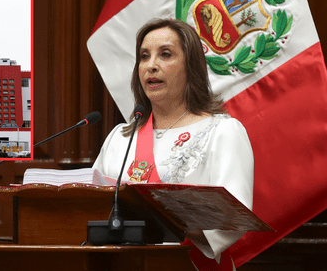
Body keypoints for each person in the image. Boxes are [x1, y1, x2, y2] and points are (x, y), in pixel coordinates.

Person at [92, 18, 253, 270]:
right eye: (144, 57)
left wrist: (157, 221)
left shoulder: (222, 132)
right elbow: (91, 205)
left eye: (165, 54)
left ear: (191, 66)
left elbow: (233, 218)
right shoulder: (119, 138)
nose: (151, 66)